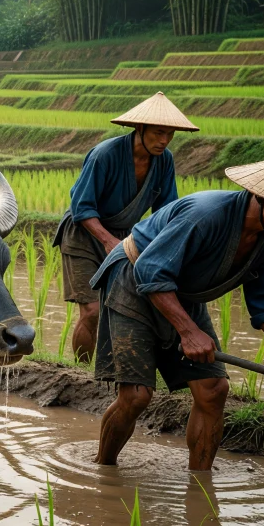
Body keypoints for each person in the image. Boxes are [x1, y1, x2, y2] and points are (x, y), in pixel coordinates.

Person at [92, 151, 264, 470]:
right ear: (260, 196)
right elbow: (150, 272)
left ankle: (200, 483)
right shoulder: (207, 214)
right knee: (137, 395)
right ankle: (103, 471)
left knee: (213, 390)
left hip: (179, 293)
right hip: (132, 278)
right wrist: (188, 331)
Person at [57, 92, 195, 363]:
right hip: (84, 234)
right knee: (92, 310)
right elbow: (82, 208)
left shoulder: (164, 160)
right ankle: (81, 369)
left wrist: (168, 250)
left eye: (170, 134)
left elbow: (166, 211)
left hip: (125, 237)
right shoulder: (105, 155)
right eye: (158, 132)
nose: (164, 140)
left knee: (123, 309)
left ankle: (113, 370)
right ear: (139, 128)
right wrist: (108, 241)